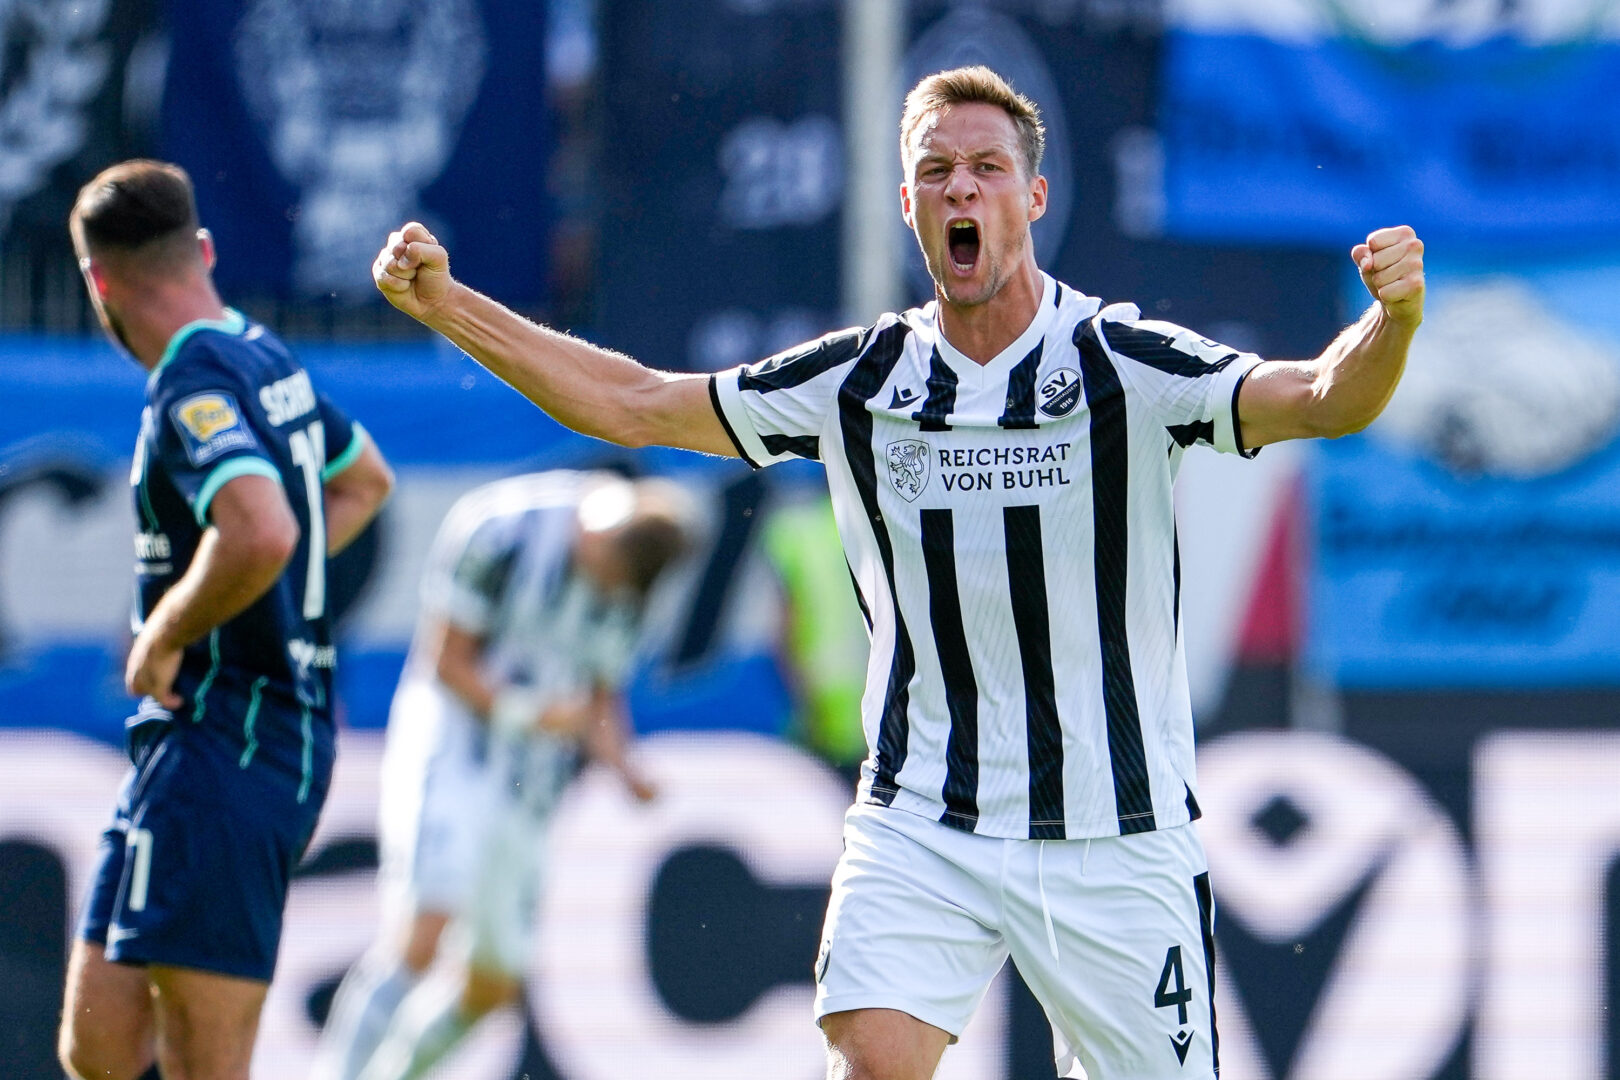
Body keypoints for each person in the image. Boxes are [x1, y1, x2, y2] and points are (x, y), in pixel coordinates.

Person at [369, 65, 1425, 1080]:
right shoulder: (860, 379)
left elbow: (1323, 397)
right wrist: (452, 306)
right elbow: (636, 403)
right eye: (935, 170)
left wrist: (1392, 322)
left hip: (1117, 830)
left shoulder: (1121, 361)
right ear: (908, 205)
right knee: (871, 1064)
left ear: (1034, 198)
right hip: (924, 818)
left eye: (988, 168)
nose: (961, 187)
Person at [58, 160, 395, 1080]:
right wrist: (256, 588)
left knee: (204, 1063)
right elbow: (363, 481)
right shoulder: (262, 354)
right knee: (98, 1047)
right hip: (195, 748)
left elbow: (262, 529)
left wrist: (166, 630)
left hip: (236, 743)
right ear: (202, 250)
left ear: (98, 282)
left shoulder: (191, 381)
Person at [314, 470, 691, 1080]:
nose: (606, 589)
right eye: (607, 574)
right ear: (601, 536)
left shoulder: (631, 586)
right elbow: (445, 659)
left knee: (493, 982)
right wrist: (533, 714)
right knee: (424, 932)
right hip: (453, 749)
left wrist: (627, 768)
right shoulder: (503, 529)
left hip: (529, 781)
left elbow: (600, 696)